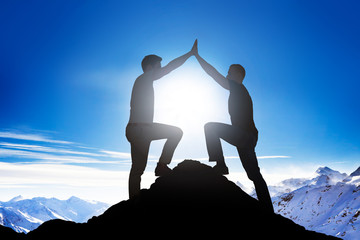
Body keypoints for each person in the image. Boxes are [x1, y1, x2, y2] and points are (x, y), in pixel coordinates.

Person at [193, 41, 274, 212]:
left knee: (210, 127)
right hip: (247, 138)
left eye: (229, 72)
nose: (227, 74)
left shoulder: (237, 87)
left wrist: (198, 57)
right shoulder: (240, 90)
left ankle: (221, 165)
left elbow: (213, 75)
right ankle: (268, 209)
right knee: (254, 174)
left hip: (244, 135)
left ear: (238, 75)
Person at [126, 40, 197, 198]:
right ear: (149, 68)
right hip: (142, 129)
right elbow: (170, 67)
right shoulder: (144, 78)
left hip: (139, 129)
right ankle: (162, 166)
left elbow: (167, 68)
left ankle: (133, 203)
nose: (161, 69)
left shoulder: (142, 81)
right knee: (176, 132)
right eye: (158, 66)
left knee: (137, 169)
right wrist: (189, 54)